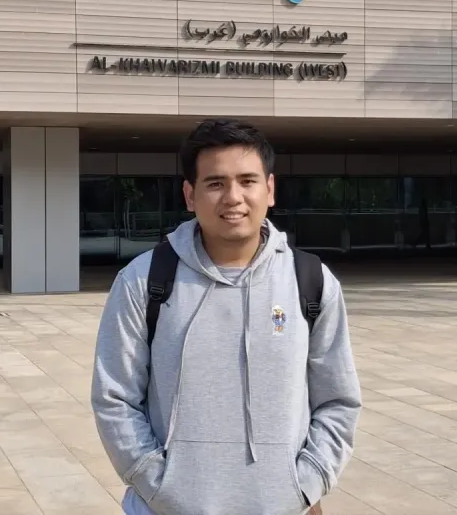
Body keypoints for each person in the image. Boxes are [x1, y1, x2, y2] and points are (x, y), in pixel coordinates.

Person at [91, 119, 362, 515]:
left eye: (247, 181)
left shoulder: (311, 281)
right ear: (190, 195)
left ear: (270, 189)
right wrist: (160, 486)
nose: (233, 197)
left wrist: (306, 484)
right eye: (215, 183)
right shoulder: (142, 281)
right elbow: (114, 398)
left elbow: (338, 400)